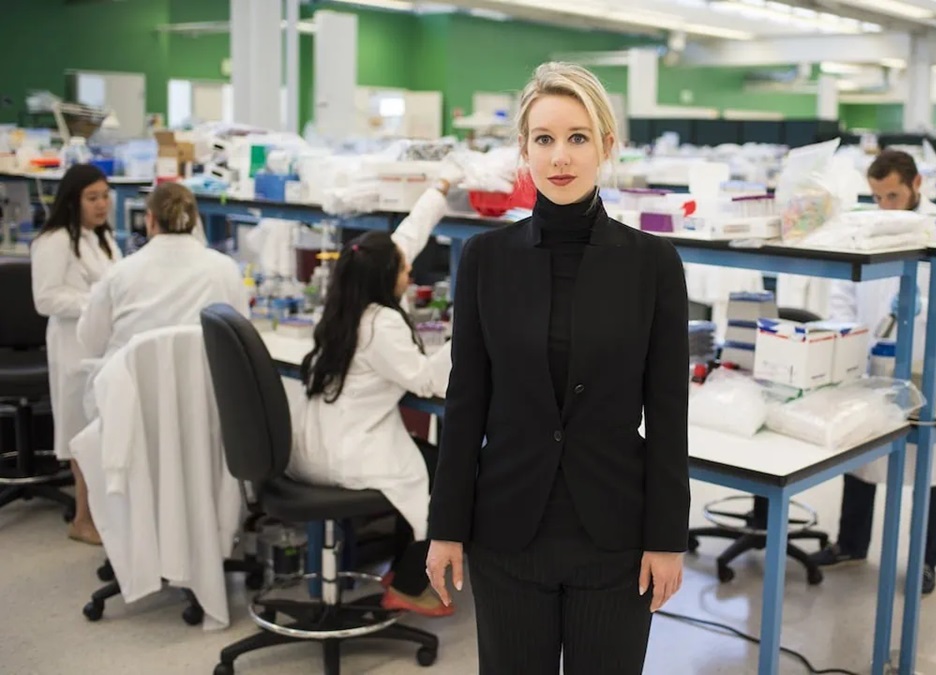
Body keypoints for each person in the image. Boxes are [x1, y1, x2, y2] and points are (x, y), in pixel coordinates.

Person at [424, 62, 691, 675]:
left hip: (616, 537)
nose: (560, 156)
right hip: (507, 532)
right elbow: (464, 403)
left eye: (578, 137)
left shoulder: (653, 263)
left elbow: (670, 412)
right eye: (544, 139)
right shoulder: (487, 259)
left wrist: (667, 537)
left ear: (606, 147)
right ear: (523, 150)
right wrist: (445, 528)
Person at [810, 149, 936, 595]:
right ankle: (851, 544)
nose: (885, 205)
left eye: (893, 195)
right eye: (878, 196)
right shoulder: (865, 226)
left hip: (929, 359)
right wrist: (845, 335)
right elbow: (844, 292)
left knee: (930, 464)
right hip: (873, 356)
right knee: (862, 456)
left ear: (916, 184)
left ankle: (926, 562)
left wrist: (925, 309)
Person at [287, 191, 456, 618]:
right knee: (448, 475)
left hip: (312, 448)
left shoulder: (343, 306)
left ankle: (401, 569)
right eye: (402, 268)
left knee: (428, 463)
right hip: (350, 455)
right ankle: (410, 584)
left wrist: (438, 189)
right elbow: (428, 380)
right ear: (385, 278)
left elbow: (402, 242)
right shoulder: (381, 324)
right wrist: (467, 332)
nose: (410, 269)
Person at [30, 163, 123, 545]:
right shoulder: (53, 241)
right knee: (79, 432)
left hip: (103, 344)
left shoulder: (101, 238)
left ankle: (101, 514)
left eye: (104, 196)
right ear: (73, 199)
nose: (101, 205)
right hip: (72, 346)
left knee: (99, 429)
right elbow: (45, 299)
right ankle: (82, 519)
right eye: (92, 198)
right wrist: (96, 302)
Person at [76, 182, 246, 361]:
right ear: (195, 219)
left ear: (150, 220)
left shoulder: (120, 273)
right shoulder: (226, 269)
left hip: (133, 386)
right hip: (201, 386)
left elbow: (91, 343)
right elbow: (240, 334)